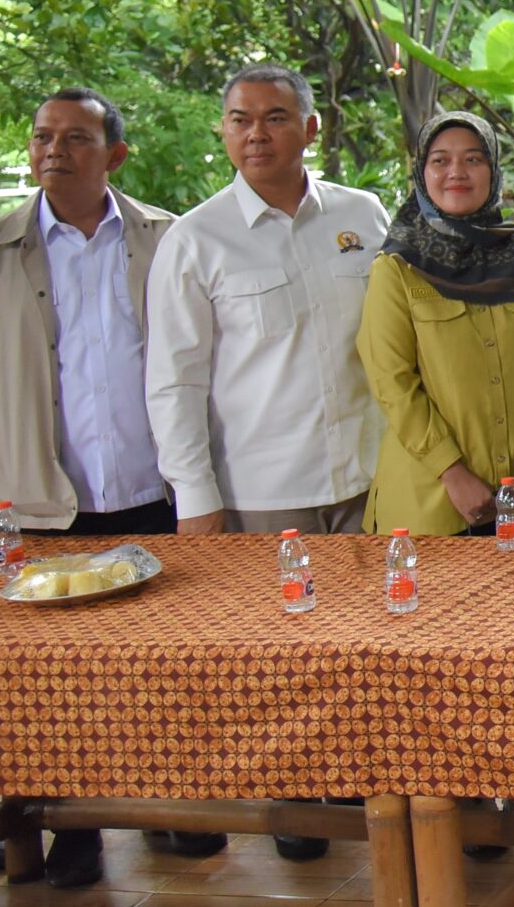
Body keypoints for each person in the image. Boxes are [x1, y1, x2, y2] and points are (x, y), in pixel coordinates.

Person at [0, 89, 187, 885]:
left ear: (114, 153)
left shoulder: (165, 238)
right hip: (39, 501)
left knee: (163, 669)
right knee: (42, 683)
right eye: (43, 136)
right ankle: (68, 828)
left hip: (155, 491)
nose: (54, 151)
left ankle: (174, 816)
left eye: (76, 138)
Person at [144, 65, 390, 862]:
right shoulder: (195, 237)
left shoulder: (363, 214)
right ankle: (293, 797)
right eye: (240, 119)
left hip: (372, 473)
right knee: (276, 654)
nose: (257, 133)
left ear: (311, 128)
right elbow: (174, 379)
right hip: (261, 486)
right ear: (222, 130)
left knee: (371, 643)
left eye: (276, 116)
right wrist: (195, 495)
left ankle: (367, 783)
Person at [360, 111, 514, 539]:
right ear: (422, 172)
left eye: (473, 159)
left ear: (492, 170)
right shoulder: (398, 266)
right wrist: (450, 471)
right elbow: (391, 381)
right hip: (432, 505)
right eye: (440, 161)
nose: (456, 173)